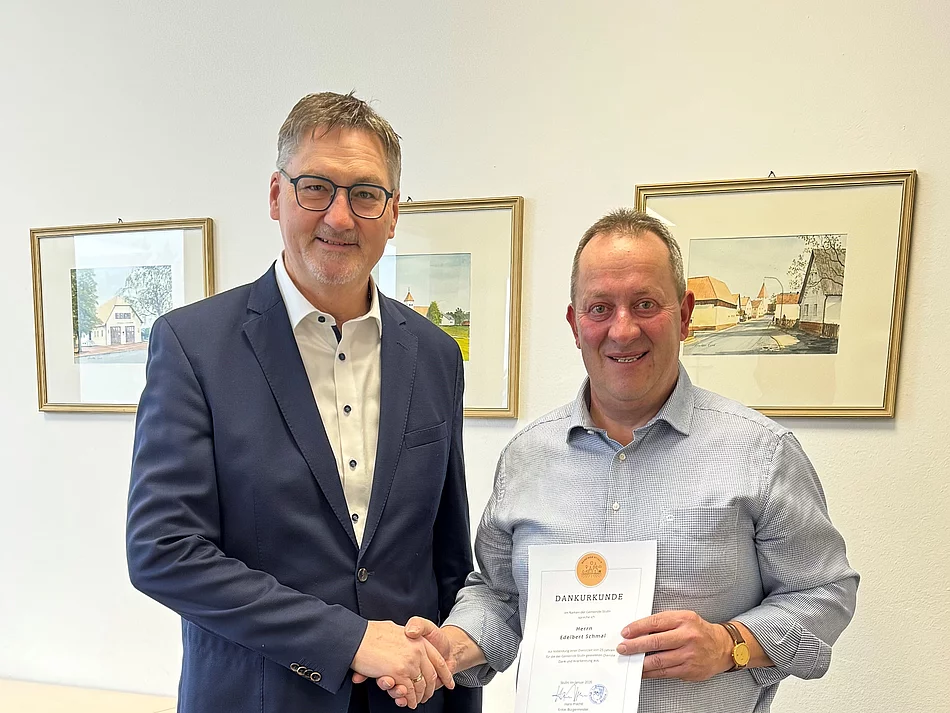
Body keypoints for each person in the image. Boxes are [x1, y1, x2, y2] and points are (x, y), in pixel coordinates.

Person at [380, 209, 859, 712]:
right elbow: (502, 596)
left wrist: (730, 644)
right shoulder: (527, 457)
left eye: (645, 304)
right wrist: (450, 646)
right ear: (575, 324)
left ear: (685, 315)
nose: (623, 329)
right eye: (600, 308)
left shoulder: (762, 453)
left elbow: (824, 592)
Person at [126, 91, 480, 713]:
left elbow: (446, 559)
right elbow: (165, 551)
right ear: (276, 196)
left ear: (393, 213)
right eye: (315, 188)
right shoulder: (193, 346)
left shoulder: (436, 354)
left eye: (365, 194)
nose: (340, 218)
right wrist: (349, 641)